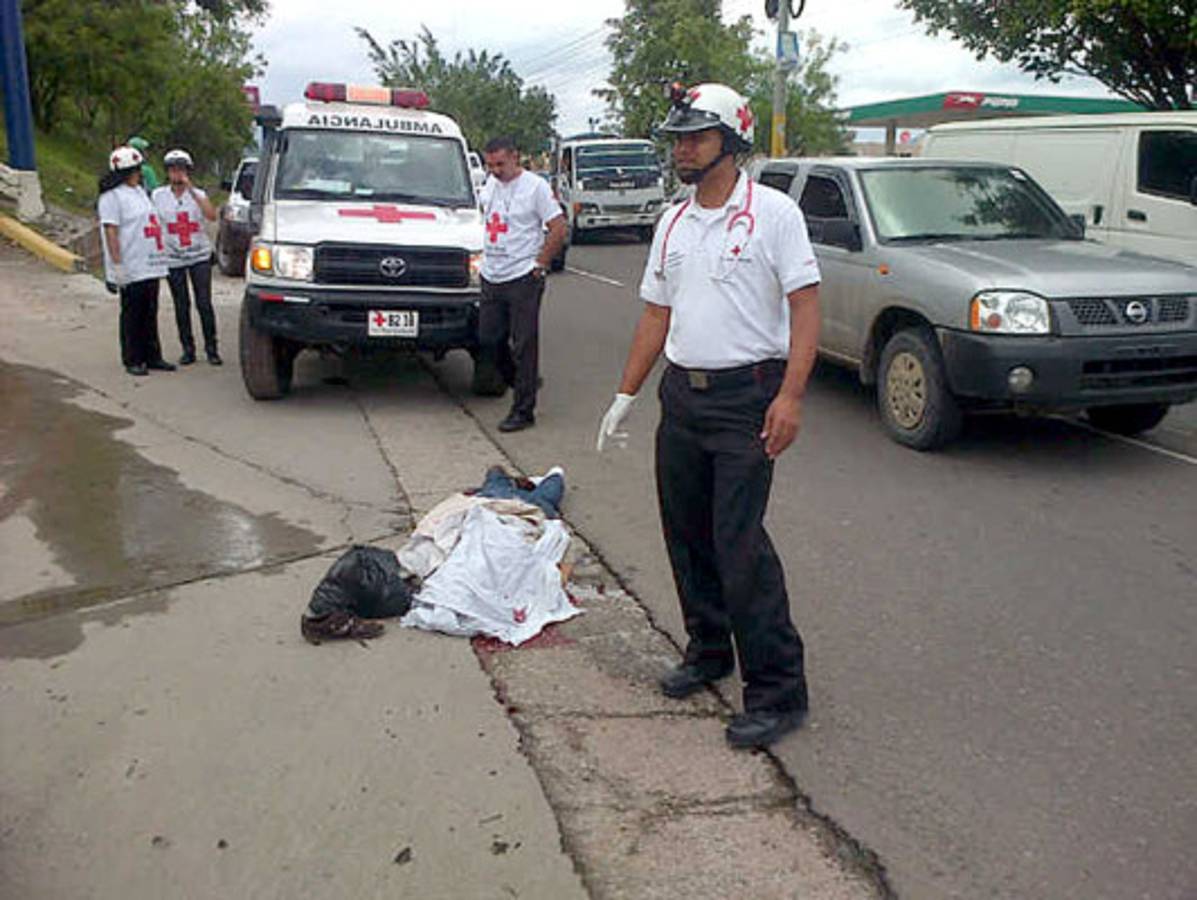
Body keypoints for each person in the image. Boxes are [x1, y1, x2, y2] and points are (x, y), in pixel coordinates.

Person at [595, 83, 822, 749]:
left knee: (739, 543)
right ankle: (708, 649)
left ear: (731, 140)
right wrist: (626, 393)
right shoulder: (673, 220)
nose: (682, 148)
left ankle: (778, 692)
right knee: (686, 533)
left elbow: (804, 307)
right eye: (677, 138)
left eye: (694, 136)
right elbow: (655, 313)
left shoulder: (773, 215)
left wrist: (790, 397)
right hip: (682, 399)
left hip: (746, 398)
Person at [479, 135, 567, 433]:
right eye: (490, 165)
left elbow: (558, 227)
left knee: (524, 343)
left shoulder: (535, 187)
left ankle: (523, 410)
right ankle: (521, 379)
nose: (495, 170)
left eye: (500, 164)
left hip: (522, 276)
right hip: (492, 273)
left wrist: (541, 263)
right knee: (489, 339)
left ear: (515, 157)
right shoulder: (490, 185)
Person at [98, 146, 174, 376]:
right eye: (136, 170)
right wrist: (117, 265)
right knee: (133, 313)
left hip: (149, 263)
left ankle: (152, 356)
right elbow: (111, 231)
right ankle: (133, 358)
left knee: (150, 311)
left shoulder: (140, 192)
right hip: (130, 264)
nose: (139, 173)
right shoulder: (111, 197)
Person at [153, 148, 221, 365]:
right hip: (173, 257)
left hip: (199, 255)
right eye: (173, 170)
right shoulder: (158, 195)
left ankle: (212, 348)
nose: (177, 174)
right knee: (181, 304)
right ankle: (188, 349)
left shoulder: (198, 194)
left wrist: (191, 189)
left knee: (204, 303)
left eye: (181, 170)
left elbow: (211, 216)